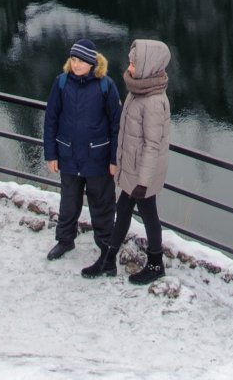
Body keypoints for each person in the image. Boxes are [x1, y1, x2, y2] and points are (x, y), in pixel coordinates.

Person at [81, 38, 171, 284]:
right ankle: (108, 259)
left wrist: (143, 181)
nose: (129, 67)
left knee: (148, 215)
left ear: (148, 65)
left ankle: (155, 264)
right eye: (131, 62)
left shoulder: (152, 101)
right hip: (134, 170)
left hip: (142, 175)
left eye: (134, 63)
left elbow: (152, 144)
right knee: (123, 212)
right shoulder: (140, 89)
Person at [42, 38, 121, 262]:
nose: (76, 65)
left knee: (102, 204)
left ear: (92, 63)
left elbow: (117, 125)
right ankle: (65, 240)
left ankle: (106, 245)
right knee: (68, 202)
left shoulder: (106, 86)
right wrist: (51, 154)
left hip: (98, 158)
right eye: (73, 60)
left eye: (81, 61)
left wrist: (114, 159)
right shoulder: (61, 83)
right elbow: (51, 120)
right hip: (68, 156)